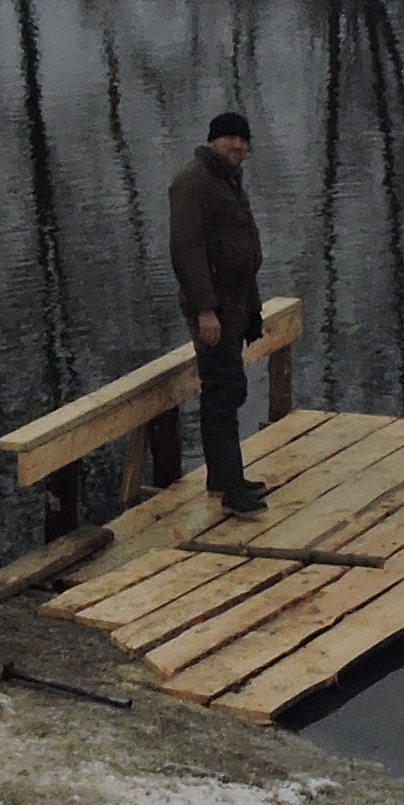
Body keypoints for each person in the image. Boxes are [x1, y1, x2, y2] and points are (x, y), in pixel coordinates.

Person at [167, 110, 271, 517]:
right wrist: (205, 311)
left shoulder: (227, 180)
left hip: (235, 301)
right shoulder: (193, 183)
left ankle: (223, 477)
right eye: (232, 140)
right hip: (212, 307)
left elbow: (240, 250)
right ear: (214, 140)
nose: (240, 147)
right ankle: (232, 492)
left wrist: (253, 308)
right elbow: (187, 251)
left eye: (245, 141)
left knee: (227, 388)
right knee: (224, 390)